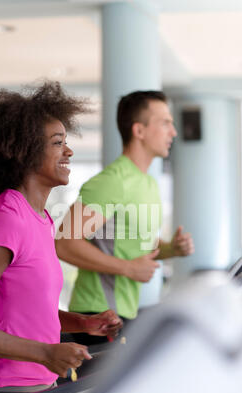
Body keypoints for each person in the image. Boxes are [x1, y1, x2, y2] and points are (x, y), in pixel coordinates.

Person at [0, 81, 122, 393]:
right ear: (23, 151)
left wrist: (82, 323)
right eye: (58, 143)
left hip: (38, 385)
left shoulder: (39, 217)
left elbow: (25, 310)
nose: (68, 152)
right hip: (4, 391)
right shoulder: (9, 218)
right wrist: (46, 352)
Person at [55, 90, 194, 345]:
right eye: (165, 123)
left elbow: (133, 245)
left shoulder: (149, 184)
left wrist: (170, 249)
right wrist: (129, 269)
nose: (173, 132)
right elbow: (64, 243)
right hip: (96, 314)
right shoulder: (112, 182)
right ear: (139, 130)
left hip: (126, 312)